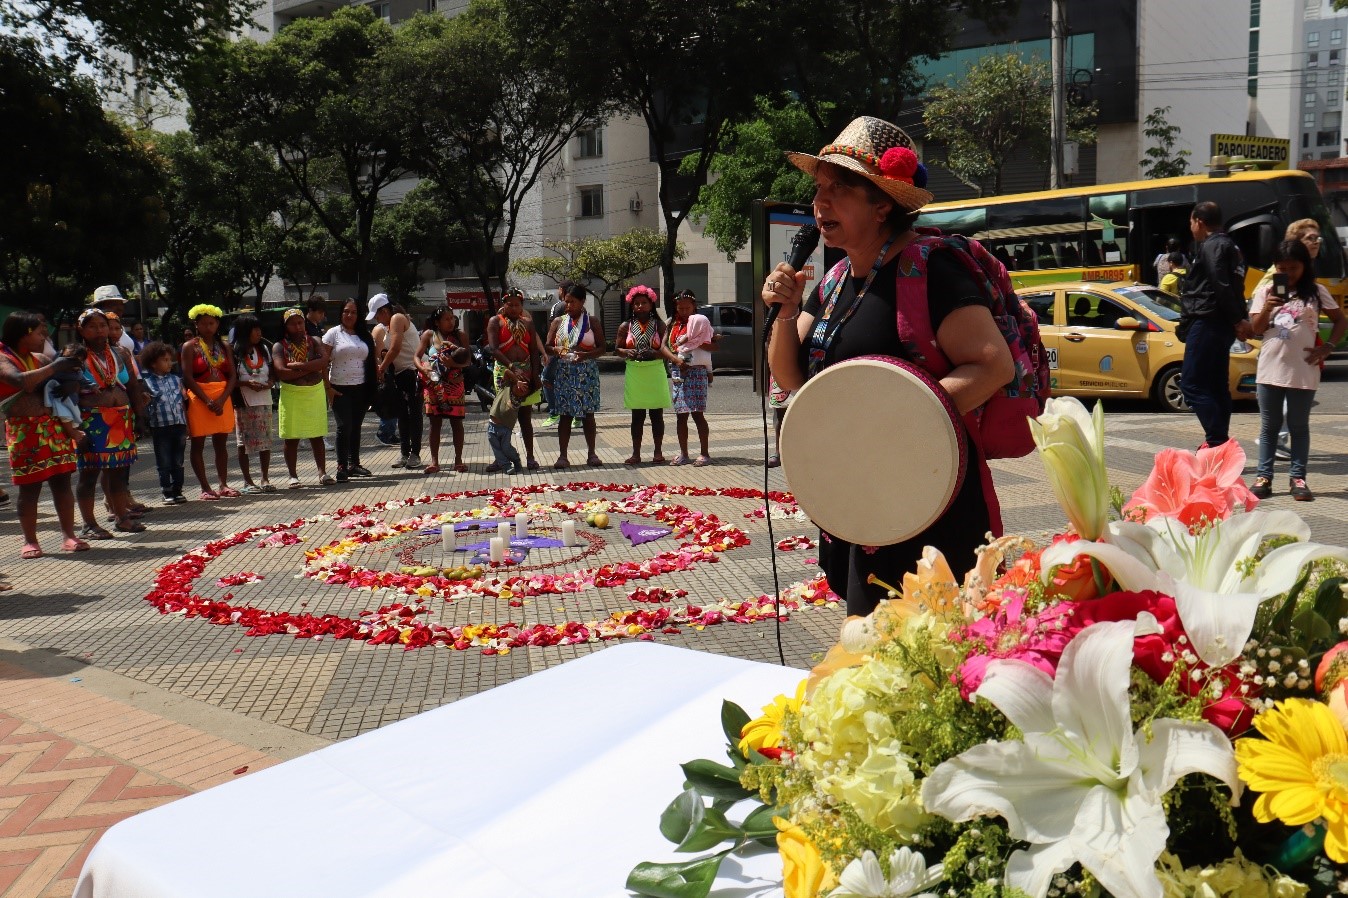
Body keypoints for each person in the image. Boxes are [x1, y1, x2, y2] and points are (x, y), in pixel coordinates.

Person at [764, 115, 1014, 618]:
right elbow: (791, 380)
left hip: (935, 500)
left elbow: (992, 365)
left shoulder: (932, 269)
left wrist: (892, 426)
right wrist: (787, 310)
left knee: (938, 659)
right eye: (819, 187)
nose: (821, 202)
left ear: (883, 204)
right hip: (866, 496)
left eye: (840, 189)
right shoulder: (833, 283)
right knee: (869, 649)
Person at [1246, 239, 1346, 501]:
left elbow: (1340, 320)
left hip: (1304, 368)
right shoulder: (1266, 290)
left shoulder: (1317, 292)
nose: (1288, 273)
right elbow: (1255, 330)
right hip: (1270, 367)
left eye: (1294, 268)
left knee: (1299, 427)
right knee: (1269, 427)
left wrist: (1328, 348)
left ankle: (1298, 478)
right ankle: (1263, 477)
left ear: (1305, 266)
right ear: (1275, 267)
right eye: (1283, 268)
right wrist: (1268, 307)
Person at [0, 311, 87, 559]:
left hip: (53, 428)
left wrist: (69, 381)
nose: (44, 338)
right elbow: (19, 381)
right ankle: (30, 541)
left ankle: (69, 536)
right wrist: (55, 367)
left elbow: (66, 378)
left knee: (61, 482)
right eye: (40, 333)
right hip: (24, 430)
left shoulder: (38, 358)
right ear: (25, 334)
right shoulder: (3, 358)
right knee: (29, 487)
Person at [1178, 201, 1251, 449]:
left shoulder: (1213, 246)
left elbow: (1221, 284)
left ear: (1199, 221)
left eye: (1191, 222)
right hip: (1222, 325)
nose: (1191, 228)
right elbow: (1236, 287)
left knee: (1191, 384)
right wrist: (1238, 319)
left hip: (1208, 321)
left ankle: (1217, 440)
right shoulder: (1233, 247)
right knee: (1217, 385)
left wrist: (1237, 319)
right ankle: (1219, 442)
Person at [74, 309, 144, 536]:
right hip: (91, 421)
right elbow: (67, 394)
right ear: (81, 330)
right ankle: (89, 523)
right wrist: (75, 428)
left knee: (118, 472)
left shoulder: (120, 353)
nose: (99, 330)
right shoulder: (75, 355)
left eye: (102, 325)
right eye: (92, 326)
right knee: (90, 473)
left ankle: (122, 517)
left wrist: (140, 416)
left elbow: (132, 386)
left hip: (121, 419)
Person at [181, 304, 239, 500]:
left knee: (221, 443)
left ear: (217, 324)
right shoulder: (190, 346)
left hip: (222, 396)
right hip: (199, 397)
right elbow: (187, 376)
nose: (208, 327)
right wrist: (206, 400)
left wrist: (222, 399)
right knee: (198, 443)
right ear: (196, 324)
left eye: (211, 323)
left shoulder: (224, 346)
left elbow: (232, 376)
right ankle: (205, 487)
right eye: (203, 323)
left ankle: (223, 484)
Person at [545, 283, 605, 468]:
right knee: (565, 415)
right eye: (566, 302)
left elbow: (603, 348)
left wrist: (586, 355)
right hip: (565, 372)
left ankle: (592, 454)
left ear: (582, 301)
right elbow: (547, 346)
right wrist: (556, 350)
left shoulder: (592, 321)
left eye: (572, 302)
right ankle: (563, 456)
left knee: (588, 414)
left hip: (586, 372)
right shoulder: (558, 322)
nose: (568, 305)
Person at [273, 308, 333, 487]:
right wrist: (310, 367)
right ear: (286, 326)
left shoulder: (314, 341)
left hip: (314, 392)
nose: (297, 327)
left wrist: (300, 366)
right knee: (291, 437)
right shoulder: (279, 346)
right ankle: (293, 476)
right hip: (292, 394)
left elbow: (324, 361)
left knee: (317, 434)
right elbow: (282, 372)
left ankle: (322, 472)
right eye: (292, 324)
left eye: (300, 322)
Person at [487, 288, 543, 471]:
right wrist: (512, 367)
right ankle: (500, 458)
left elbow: (534, 351)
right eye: (509, 304)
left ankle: (530, 457)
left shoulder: (528, 323)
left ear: (522, 306)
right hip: (505, 371)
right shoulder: (495, 322)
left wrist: (535, 375)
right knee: (503, 417)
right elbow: (494, 349)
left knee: (525, 417)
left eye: (516, 305)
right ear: (503, 304)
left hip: (526, 372)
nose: (512, 308)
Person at [615, 285, 670, 464]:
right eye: (636, 303)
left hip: (655, 371)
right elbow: (617, 349)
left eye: (644, 303)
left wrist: (655, 353)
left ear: (651, 304)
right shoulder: (626, 326)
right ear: (632, 306)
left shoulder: (660, 325)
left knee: (656, 414)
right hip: (635, 372)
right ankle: (636, 453)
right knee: (637, 416)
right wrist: (626, 352)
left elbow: (667, 350)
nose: (640, 306)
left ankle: (658, 452)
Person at [368, 294, 423, 469]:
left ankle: (415, 454)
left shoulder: (397, 318)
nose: (377, 319)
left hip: (412, 372)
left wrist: (381, 368)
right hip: (399, 374)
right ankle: (404, 453)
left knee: (414, 414)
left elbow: (396, 347)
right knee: (402, 416)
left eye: (377, 315)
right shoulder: (385, 326)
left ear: (384, 311)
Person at [323, 299, 375, 482]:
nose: (349, 315)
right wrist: (327, 387)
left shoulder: (364, 335)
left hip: (361, 387)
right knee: (344, 427)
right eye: (346, 311)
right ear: (340, 313)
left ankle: (354, 464)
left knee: (356, 427)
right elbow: (324, 362)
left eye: (353, 312)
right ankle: (342, 466)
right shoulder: (333, 334)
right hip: (339, 388)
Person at [664, 289, 715, 467]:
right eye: (680, 308)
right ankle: (684, 453)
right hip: (679, 371)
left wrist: (696, 340)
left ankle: (704, 453)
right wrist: (676, 360)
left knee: (697, 414)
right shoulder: (672, 323)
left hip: (697, 371)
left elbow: (712, 346)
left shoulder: (702, 323)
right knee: (681, 415)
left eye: (687, 307)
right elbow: (663, 347)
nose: (684, 311)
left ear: (694, 306)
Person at [416, 306, 470, 474]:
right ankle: (434, 461)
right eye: (446, 319)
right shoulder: (428, 335)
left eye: (452, 318)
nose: (451, 322)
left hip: (455, 383)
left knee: (457, 423)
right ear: (437, 322)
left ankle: (458, 459)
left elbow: (468, 361)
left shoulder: (460, 336)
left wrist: (452, 365)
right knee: (434, 422)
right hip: (433, 384)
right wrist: (423, 369)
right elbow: (416, 356)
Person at [231, 314, 276, 493]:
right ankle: (247, 481)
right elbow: (231, 380)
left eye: (259, 329)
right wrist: (246, 383)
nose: (259, 332)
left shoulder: (264, 348)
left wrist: (271, 382)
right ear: (245, 332)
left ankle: (265, 478)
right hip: (244, 402)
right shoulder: (234, 351)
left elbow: (272, 371)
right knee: (244, 442)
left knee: (265, 441)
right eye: (255, 329)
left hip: (264, 399)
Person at [139, 341, 189, 505]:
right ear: (153, 363)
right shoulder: (147, 383)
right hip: (160, 427)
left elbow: (183, 402)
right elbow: (146, 405)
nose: (169, 363)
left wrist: (187, 423)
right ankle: (167, 491)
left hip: (178, 425)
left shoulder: (176, 379)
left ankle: (178, 490)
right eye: (164, 360)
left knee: (178, 460)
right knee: (164, 460)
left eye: (170, 359)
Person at [486, 369, 530, 474]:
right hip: (492, 425)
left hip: (505, 428)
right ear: (514, 383)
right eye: (521, 386)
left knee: (506, 448)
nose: (522, 390)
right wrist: (516, 380)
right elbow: (506, 371)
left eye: (525, 390)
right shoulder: (505, 387)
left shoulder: (518, 400)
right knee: (496, 448)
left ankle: (515, 459)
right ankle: (506, 466)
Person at [540, 281, 571, 426]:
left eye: (558, 288)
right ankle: (575, 414)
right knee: (570, 381)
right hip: (573, 349)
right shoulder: (580, 308)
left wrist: (548, 351)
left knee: (546, 379)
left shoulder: (558, 306)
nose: (558, 291)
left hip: (557, 349)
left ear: (562, 290)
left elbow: (553, 330)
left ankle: (554, 412)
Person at [369, 310, 400, 447]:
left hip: (388, 369)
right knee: (389, 401)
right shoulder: (379, 329)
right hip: (384, 370)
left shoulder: (386, 328)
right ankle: (385, 433)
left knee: (393, 401)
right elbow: (381, 352)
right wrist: (382, 369)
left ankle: (389, 432)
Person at [88, 286, 137, 354]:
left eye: (120, 304)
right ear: (100, 307)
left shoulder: (120, 327)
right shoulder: (99, 332)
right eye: (113, 304)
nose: (119, 308)